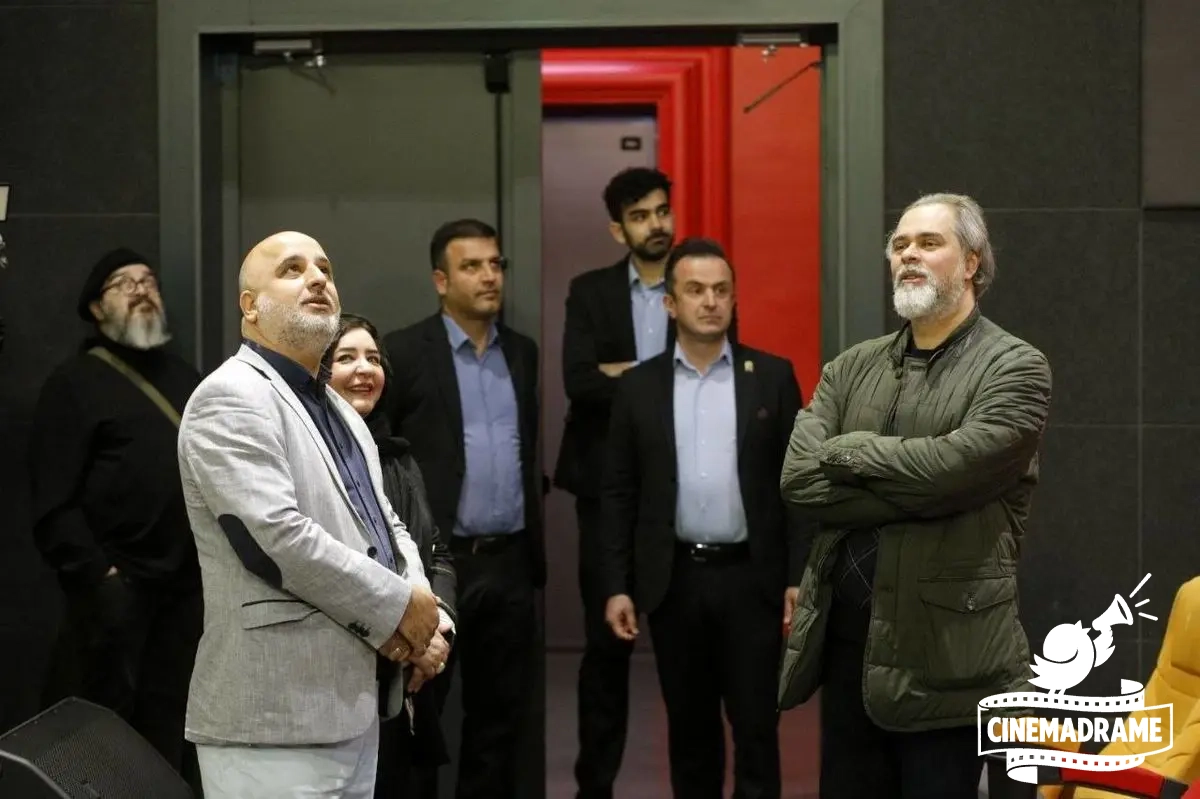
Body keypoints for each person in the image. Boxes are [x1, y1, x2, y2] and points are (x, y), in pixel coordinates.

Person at [776, 193, 1053, 799]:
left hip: (951, 664)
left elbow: (954, 471)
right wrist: (923, 490)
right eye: (899, 244)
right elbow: (797, 479)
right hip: (849, 651)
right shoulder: (850, 367)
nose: (909, 255)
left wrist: (853, 453)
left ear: (972, 262)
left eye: (929, 243)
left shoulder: (1015, 367)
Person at [176, 231, 442, 798]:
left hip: (355, 711)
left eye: (325, 268)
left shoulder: (339, 410)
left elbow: (388, 525)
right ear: (250, 306)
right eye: (292, 270)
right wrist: (399, 609)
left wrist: (420, 600)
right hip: (272, 721)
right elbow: (276, 539)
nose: (318, 278)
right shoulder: (230, 395)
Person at [601, 237, 804, 799]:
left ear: (734, 300)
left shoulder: (772, 377)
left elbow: (799, 487)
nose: (710, 301)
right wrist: (617, 585)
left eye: (721, 291)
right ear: (670, 303)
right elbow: (618, 492)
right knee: (690, 733)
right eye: (695, 290)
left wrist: (798, 575)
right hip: (676, 581)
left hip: (752, 581)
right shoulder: (638, 388)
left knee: (757, 728)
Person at [383, 218, 545, 799]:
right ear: (441, 280)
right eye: (472, 266)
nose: (489, 276)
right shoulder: (405, 351)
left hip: (509, 562)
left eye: (496, 264)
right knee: (420, 712)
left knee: (499, 721)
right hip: (438, 566)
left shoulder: (521, 353)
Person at [29, 248, 203, 785]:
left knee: (171, 731)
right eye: (123, 283)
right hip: (115, 597)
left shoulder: (186, 378)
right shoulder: (74, 383)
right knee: (102, 737)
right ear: (96, 308)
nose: (141, 289)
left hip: (185, 595)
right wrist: (101, 577)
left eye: (148, 280)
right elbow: (52, 499)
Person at [553, 167, 677, 799]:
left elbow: (710, 376)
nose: (656, 224)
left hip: (679, 491)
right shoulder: (591, 291)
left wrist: (621, 375)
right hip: (604, 490)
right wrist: (657, 379)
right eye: (640, 215)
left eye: (662, 211)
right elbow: (579, 381)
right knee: (606, 649)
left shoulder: (696, 282)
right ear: (617, 229)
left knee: (684, 653)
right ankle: (593, 788)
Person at [324, 313, 457, 799]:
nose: (364, 369)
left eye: (373, 359)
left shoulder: (398, 457)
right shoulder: (314, 461)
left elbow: (436, 551)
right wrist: (411, 638)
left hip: (413, 680)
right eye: (346, 357)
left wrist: (437, 629)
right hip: (344, 681)